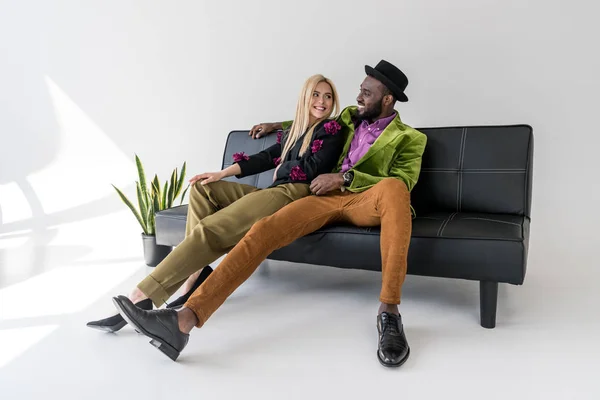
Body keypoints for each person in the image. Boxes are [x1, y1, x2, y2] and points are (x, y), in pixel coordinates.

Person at [112, 60, 427, 368]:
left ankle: (389, 312)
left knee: (395, 189)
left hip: (366, 199)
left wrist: (344, 178)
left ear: (387, 99)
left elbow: (405, 180)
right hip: (323, 197)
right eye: (359, 90)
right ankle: (182, 321)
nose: (358, 97)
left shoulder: (410, 138)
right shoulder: (348, 116)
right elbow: (310, 121)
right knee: (262, 229)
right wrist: (277, 126)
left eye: (367, 93)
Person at [87, 74, 345, 332]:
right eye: (316, 94)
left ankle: (141, 295)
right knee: (202, 187)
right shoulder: (294, 131)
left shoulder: (332, 129)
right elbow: (264, 158)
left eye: (328, 96)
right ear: (305, 97)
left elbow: (313, 169)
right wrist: (221, 174)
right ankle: (194, 277)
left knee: (211, 228)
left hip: (294, 195)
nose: (322, 101)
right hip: (273, 192)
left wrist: (281, 170)